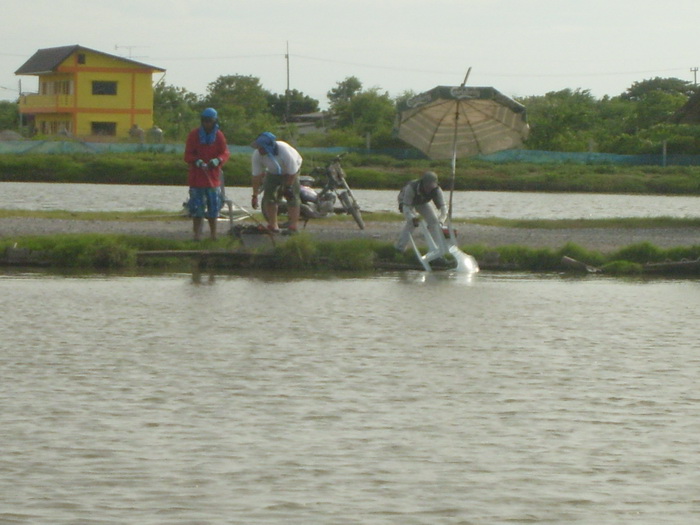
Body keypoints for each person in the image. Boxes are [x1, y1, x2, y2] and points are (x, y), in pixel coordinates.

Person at [184, 107, 230, 241]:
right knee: (197, 209)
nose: (206, 124)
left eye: (209, 121)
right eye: (204, 121)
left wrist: (217, 160)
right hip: (197, 178)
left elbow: (225, 153)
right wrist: (196, 161)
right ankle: (197, 235)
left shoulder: (219, 136)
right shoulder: (193, 135)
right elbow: (187, 155)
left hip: (213, 179)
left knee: (213, 209)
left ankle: (213, 235)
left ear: (215, 121)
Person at [250, 132, 303, 233]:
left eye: (262, 147)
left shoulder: (284, 151)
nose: (260, 150)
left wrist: (288, 187)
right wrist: (255, 195)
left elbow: (292, 172)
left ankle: (293, 226)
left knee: (292, 196)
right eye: (258, 147)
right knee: (269, 197)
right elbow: (256, 176)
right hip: (272, 172)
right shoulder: (257, 155)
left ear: (270, 146)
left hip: (290, 171)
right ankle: (273, 225)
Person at [395, 171, 448, 252]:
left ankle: (436, 249)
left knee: (434, 222)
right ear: (422, 182)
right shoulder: (411, 188)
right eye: (427, 186)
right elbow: (406, 207)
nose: (428, 189)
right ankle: (400, 248)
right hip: (406, 201)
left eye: (431, 187)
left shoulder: (437, 190)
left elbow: (444, 210)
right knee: (411, 223)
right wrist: (412, 218)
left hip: (422, 202)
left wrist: (441, 221)